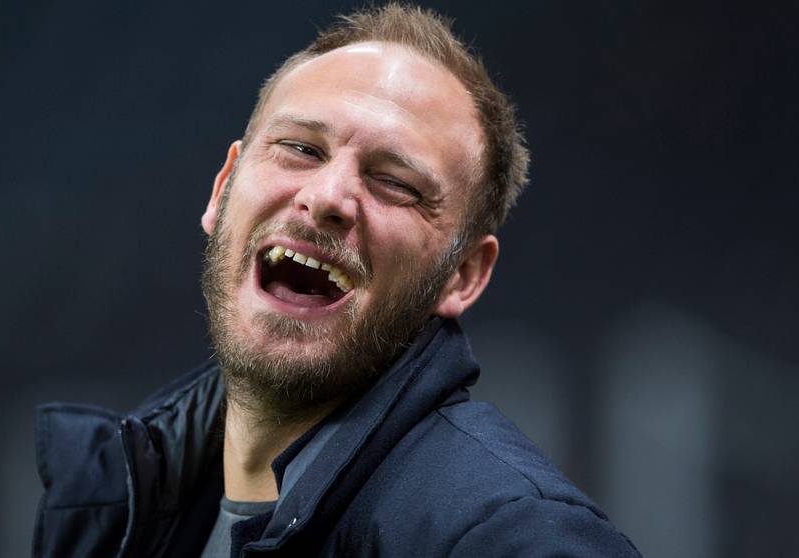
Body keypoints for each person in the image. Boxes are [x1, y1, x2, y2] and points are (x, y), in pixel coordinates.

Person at [33, 4, 641, 557]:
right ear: (222, 192)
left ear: (462, 276)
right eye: (300, 148)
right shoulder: (105, 508)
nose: (327, 196)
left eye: (396, 183)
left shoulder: (513, 539)